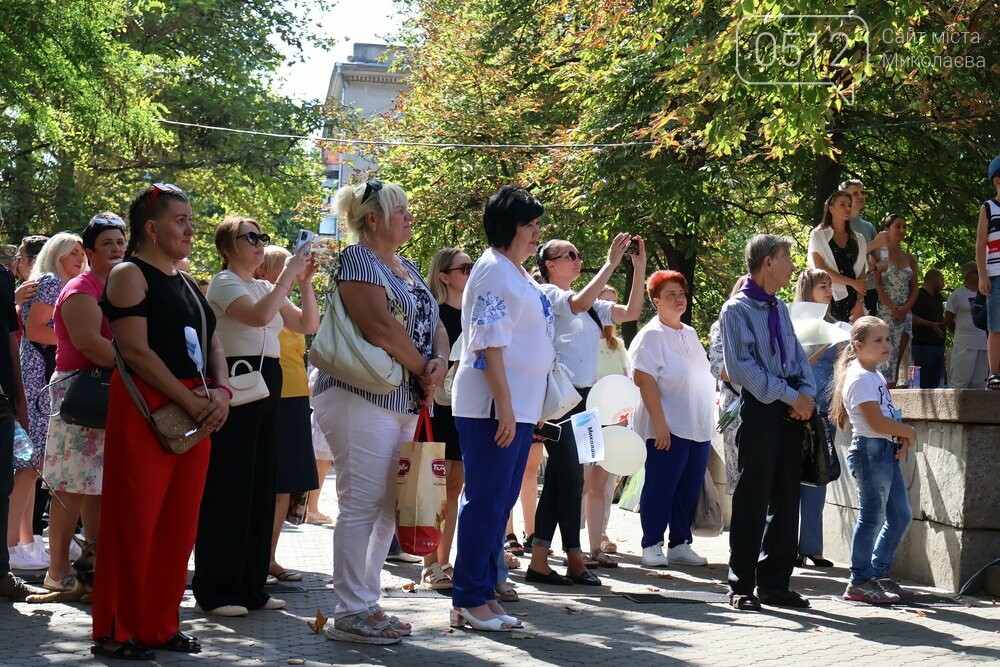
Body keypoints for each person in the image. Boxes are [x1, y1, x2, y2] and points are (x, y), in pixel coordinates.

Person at [94, 183, 231, 659]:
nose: (191, 230)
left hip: (194, 406)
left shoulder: (188, 281)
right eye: (181, 220)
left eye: (190, 220)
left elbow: (213, 342)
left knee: (178, 525)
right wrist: (192, 401)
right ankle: (117, 630)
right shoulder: (129, 273)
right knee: (134, 520)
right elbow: (134, 351)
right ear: (151, 228)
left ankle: (158, 624)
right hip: (148, 405)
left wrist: (221, 392)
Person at [312, 180, 446, 645]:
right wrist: (423, 370)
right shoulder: (355, 260)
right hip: (359, 394)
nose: (410, 216)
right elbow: (377, 326)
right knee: (362, 502)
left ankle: (367, 602)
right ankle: (350, 610)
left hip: (405, 396)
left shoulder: (406, 266)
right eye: (401, 210)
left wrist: (438, 364)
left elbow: (434, 323)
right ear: (372, 219)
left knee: (390, 504)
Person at [193, 216, 317, 617]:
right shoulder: (226, 281)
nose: (259, 242)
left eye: (261, 236)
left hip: (269, 383)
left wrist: (305, 282)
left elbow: (306, 323)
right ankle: (216, 589)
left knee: (261, 486)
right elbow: (259, 317)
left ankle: (250, 586)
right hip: (238, 383)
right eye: (250, 237)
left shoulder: (265, 285)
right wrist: (287, 276)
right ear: (228, 248)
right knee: (230, 488)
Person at [450, 185, 552, 631]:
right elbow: (487, 344)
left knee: (499, 504)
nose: (537, 234)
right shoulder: (493, 270)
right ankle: (469, 599)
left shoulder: (516, 273)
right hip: (491, 408)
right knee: (486, 503)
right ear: (510, 227)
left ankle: (483, 595)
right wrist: (507, 407)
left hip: (517, 408)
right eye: (531, 225)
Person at [528, 234, 646, 578]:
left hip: (584, 401)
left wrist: (637, 269)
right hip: (560, 401)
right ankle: (573, 556)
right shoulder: (550, 294)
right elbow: (576, 304)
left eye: (578, 254)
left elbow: (632, 311)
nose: (577, 259)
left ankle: (541, 558)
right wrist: (610, 263)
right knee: (568, 477)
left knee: (562, 480)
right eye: (569, 255)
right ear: (550, 265)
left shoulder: (590, 302)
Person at [720, 234, 816, 612]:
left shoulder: (780, 309)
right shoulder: (736, 310)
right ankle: (741, 583)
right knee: (752, 498)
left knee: (787, 498)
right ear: (767, 263)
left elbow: (796, 355)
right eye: (786, 258)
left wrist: (805, 396)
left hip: (790, 410)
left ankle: (775, 583)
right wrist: (792, 396)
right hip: (760, 410)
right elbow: (742, 368)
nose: (792, 265)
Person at [42, 214, 126, 592]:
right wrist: (142, 362)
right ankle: (57, 571)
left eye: (121, 242)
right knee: (70, 486)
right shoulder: (81, 288)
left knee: (99, 484)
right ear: (90, 251)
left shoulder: (120, 289)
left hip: (109, 391)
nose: (116, 249)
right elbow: (92, 345)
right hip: (79, 393)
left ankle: (94, 571)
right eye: (107, 243)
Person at [9, 232, 87, 571]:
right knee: (31, 461)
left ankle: (26, 541)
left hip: (39, 370)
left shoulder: (56, 282)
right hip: (40, 373)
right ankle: (13, 543)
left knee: (34, 462)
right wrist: (78, 339)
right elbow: (37, 329)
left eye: (82, 251)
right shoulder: (53, 282)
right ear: (56, 254)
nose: (80, 257)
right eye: (73, 251)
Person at [630, 269, 714, 568]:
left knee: (689, 487)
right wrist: (660, 424)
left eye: (681, 293)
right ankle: (651, 543)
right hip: (667, 425)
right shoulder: (651, 336)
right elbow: (645, 380)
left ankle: (681, 542)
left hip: (698, 427)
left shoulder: (689, 333)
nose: (679, 299)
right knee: (661, 486)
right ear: (655, 301)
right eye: (670, 295)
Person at [830, 316, 917, 603]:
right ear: (858, 345)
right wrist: (907, 431)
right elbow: (875, 421)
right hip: (870, 453)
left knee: (900, 515)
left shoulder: (875, 376)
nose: (886, 345)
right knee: (871, 519)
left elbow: (886, 416)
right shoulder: (859, 377)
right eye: (878, 340)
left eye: (888, 339)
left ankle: (878, 573)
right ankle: (859, 580)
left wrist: (900, 436)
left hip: (883, 451)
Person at [255, 245, 320, 584]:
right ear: (267, 270)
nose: (294, 273)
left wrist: (307, 284)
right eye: (287, 267)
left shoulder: (285, 301)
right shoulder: (258, 298)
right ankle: (255, 556)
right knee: (268, 482)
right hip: (269, 395)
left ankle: (269, 557)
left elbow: (311, 325)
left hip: (295, 398)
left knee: (285, 485)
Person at [419, 247, 473, 590]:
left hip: (467, 407)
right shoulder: (433, 314)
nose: (470, 272)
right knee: (432, 487)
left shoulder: (473, 314)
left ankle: (444, 561)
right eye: (463, 268)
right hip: (437, 407)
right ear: (444, 275)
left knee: (455, 486)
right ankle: (428, 564)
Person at [0, 246, 43, 600]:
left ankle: (2, 571)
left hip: (2, 402)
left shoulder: (1, 277)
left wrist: (19, 399)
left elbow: (12, 343)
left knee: (4, 482)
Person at [793, 269, 841, 568]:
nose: (828, 291)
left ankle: (812, 545)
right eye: (823, 286)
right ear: (808, 289)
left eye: (830, 286)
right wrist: (824, 344)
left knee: (818, 476)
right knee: (792, 477)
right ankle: (787, 544)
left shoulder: (836, 326)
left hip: (826, 409)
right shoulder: (792, 322)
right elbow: (796, 365)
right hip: (798, 405)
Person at [593, 285, 628, 554]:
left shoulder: (619, 346)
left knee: (607, 482)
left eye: (614, 305)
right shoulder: (584, 340)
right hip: (588, 417)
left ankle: (601, 531)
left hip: (614, 420)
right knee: (586, 481)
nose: (609, 311)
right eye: (603, 304)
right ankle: (579, 536)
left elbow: (626, 382)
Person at [708, 276, 748, 497]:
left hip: (763, 403)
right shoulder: (721, 325)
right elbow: (717, 366)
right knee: (739, 474)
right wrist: (751, 382)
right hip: (735, 405)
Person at [808, 191, 868, 323]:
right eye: (842, 204)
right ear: (831, 208)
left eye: (849, 205)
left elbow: (862, 277)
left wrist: (859, 303)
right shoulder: (818, 235)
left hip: (853, 301)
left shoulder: (859, 239)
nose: (847, 208)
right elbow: (821, 269)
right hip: (828, 298)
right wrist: (853, 283)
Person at [872, 214, 917, 387]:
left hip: (905, 314)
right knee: (884, 358)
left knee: (898, 358)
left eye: (904, 226)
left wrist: (905, 308)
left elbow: (914, 288)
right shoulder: (879, 253)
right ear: (887, 229)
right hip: (884, 312)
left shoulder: (909, 258)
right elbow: (877, 284)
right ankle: (879, 398)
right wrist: (893, 308)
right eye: (898, 226)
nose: (902, 230)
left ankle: (893, 400)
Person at [839, 179, 888, 315]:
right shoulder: (838, 224)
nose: (861, 196)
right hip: (845, 289)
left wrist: (874, 266)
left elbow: (883, 262)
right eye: (855, 193)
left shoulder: (868, 226)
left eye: (862, 192)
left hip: (870, 289)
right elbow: (843, 254)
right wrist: (874, 244)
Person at [975, 154, 1000, 389]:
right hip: (996, 274)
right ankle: (995, 373)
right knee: (996, 325)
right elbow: (981, 243)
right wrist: (982, 275)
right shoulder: (989, 208)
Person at [946, 261, 989, 388]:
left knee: (980, 385)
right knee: (960, 382)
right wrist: (961, 333)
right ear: (967, 275)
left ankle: (977, 408)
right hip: (964, 345)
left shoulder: (988, 294)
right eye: (977, 272)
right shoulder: (958, 295)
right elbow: (948, 319)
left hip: (984, 345)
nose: (981, 274)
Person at [909, 268, 946, 388]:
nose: (944, 283)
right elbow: (909, 316)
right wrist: (930, 324)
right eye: (942, 279)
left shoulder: (938, 297)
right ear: (934, 278)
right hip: (922, 346)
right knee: (920, 384)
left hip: (938, 346)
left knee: (935, 385)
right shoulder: (918, 295)